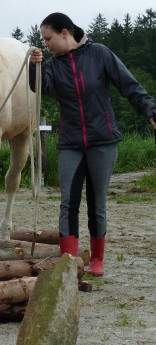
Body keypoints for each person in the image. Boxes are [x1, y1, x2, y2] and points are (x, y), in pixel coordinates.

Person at [29, 12, 156, 276]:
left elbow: (128, 84)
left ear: (65, 33)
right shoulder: (52, 65)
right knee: (68, 203)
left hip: (103, 141)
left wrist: (150, 111)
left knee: (97, 203)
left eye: (49, 38)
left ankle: (97, 260)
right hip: (70, 143)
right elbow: (40, 88)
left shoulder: (100, 53)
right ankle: (69, 262)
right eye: (44, 39)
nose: (46, 43)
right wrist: (35, 66)